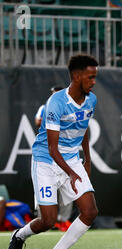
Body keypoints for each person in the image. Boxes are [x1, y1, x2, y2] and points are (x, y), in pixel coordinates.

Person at [6, 54, 99, 249]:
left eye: (95, 77)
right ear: (76, 76)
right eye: (90, 77)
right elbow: (52, 148)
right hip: (46, 160)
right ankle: (19, 236)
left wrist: (87, 158)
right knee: (47, 221)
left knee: (90, 211)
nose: (94, 82)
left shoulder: (91, 99)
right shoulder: (55, 103)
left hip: (71, 159)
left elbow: (83, 127)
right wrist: (72, 173)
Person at [34, 85, 73, 232]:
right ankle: (44, 220)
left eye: (57, 93)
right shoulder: (45, 107)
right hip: (46, 155)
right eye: (53, 93)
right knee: (44, 190)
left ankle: (63, 221)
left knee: (67, 189)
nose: (54, 96)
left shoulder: (69, 109)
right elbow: (38, 121)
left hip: (63, 154)